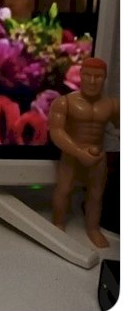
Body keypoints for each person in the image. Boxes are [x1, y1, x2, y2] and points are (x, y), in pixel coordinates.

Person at [48, 56, 120, 247]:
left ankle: (93, 228)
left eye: (98, 76)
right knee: (64, 189)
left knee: (96, 194)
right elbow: (56, 132)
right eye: (88, 75)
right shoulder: (65, 102)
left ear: (105, 78)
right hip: (71, 155)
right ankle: (58, 224)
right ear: (80, 75)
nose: (92, 81)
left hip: (98, 156)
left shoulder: (112, 105)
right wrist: (79, 152)